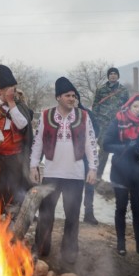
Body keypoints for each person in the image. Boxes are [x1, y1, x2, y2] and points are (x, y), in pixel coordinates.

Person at [30, 77, 98, 265]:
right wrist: (33, 165)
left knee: (72, 215)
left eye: (74, 96)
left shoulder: (84, 116)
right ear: (58, 97)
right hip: (52, 172)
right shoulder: (46, 115)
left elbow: (90, 144)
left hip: (75, 174)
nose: (72, 99)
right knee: (46, 212)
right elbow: (38, 142)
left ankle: (69, 252)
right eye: (68, 95)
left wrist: (92, 167)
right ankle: (42, 247)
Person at [103, 94, 139, 257]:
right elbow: (106, 144)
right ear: (129, 106)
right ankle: (121, 244)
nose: (137, 110)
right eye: (135, 106)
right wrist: (124, 147)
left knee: (138, 209)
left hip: (137, 171)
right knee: (121, 207)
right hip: (120, 170)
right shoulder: (118, 120)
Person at [89, 67, 129, 224]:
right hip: (104, 124)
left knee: (119, 152)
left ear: (118, 76)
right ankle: (98, 175)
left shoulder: (123, 90)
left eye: (115, 74)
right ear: (108, 76)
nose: (113, 76)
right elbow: (95, 106)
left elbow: (127, 106)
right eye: (111, 74)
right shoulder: (101, 89)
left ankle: (119, 176)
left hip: (119, 124)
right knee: (104, 151)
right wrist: (97, 120)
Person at [0, 65, 33, 212]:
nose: (11, 91)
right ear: (0, 90)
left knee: (16, 188)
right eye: (8, 88)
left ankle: (15, 219)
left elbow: (23, 125)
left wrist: (11, 103)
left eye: (13, 88)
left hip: (15, 156)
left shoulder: (19, 106)